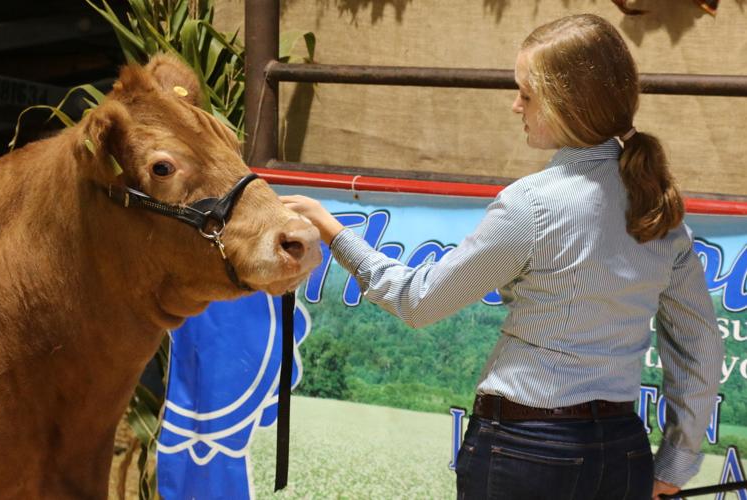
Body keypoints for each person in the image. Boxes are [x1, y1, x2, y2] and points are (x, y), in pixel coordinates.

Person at [281, 13, 723, 500]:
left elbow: (418, 301)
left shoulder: (530, 206)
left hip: (528, 450)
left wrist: (332, 228)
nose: (516, 107)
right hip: (622, 451)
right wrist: (674, 464)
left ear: (567, 104)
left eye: (527, 94)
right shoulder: (660, 209)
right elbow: (700, 348)